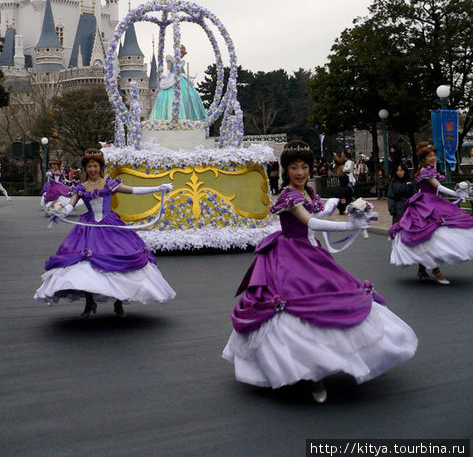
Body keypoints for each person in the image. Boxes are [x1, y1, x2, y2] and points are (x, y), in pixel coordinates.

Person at [222, 140, 418, 403]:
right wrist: (350, 226)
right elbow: (311, 221)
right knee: (297, 309)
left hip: (312, 252)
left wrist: (337, 202)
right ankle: (314, 375)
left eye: (304, 166)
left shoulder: (307, 193)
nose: (301, 172)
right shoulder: (289, 196)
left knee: (331, 300)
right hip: (291, 256)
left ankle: (324, 365)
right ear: (286, 170)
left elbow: (319, 210)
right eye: (294, 167)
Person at [34, 149, 176, 317]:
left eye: (95, 166)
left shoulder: (109, 183)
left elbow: (134, 190)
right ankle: (89, 302)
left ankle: (119, 302)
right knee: (84, 265)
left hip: (110, 227)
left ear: (100, 167)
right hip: (89, 228)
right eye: (89, 166)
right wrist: (58, 212)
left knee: (119, 260)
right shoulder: (81, 187)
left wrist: (158, 188)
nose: (92, 169)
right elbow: (70, 206)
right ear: (85, 169)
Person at [389, 142, 473, 284]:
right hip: (426, 205)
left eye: (434, 155)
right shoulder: (425, 171)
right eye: (430, 156)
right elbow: (438, 187)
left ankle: (422, 269)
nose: (433, 158)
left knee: (430, 237)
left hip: (432, 202)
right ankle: (436, 270)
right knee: (434, 235)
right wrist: (457, 193)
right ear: (424, 158)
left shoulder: (428, 169)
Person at [149, 44, 207, 121]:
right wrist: (165, 75)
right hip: (172, 79)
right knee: (170, 95)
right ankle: (169, 117)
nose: (182, 55)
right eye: (182, 53)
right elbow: (168, 69)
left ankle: (187, 117)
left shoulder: (181, 62)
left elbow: (184, 73)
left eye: (183, 54)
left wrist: (191, 77)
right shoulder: (171, 59)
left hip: (181, 80)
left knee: (188, 95)